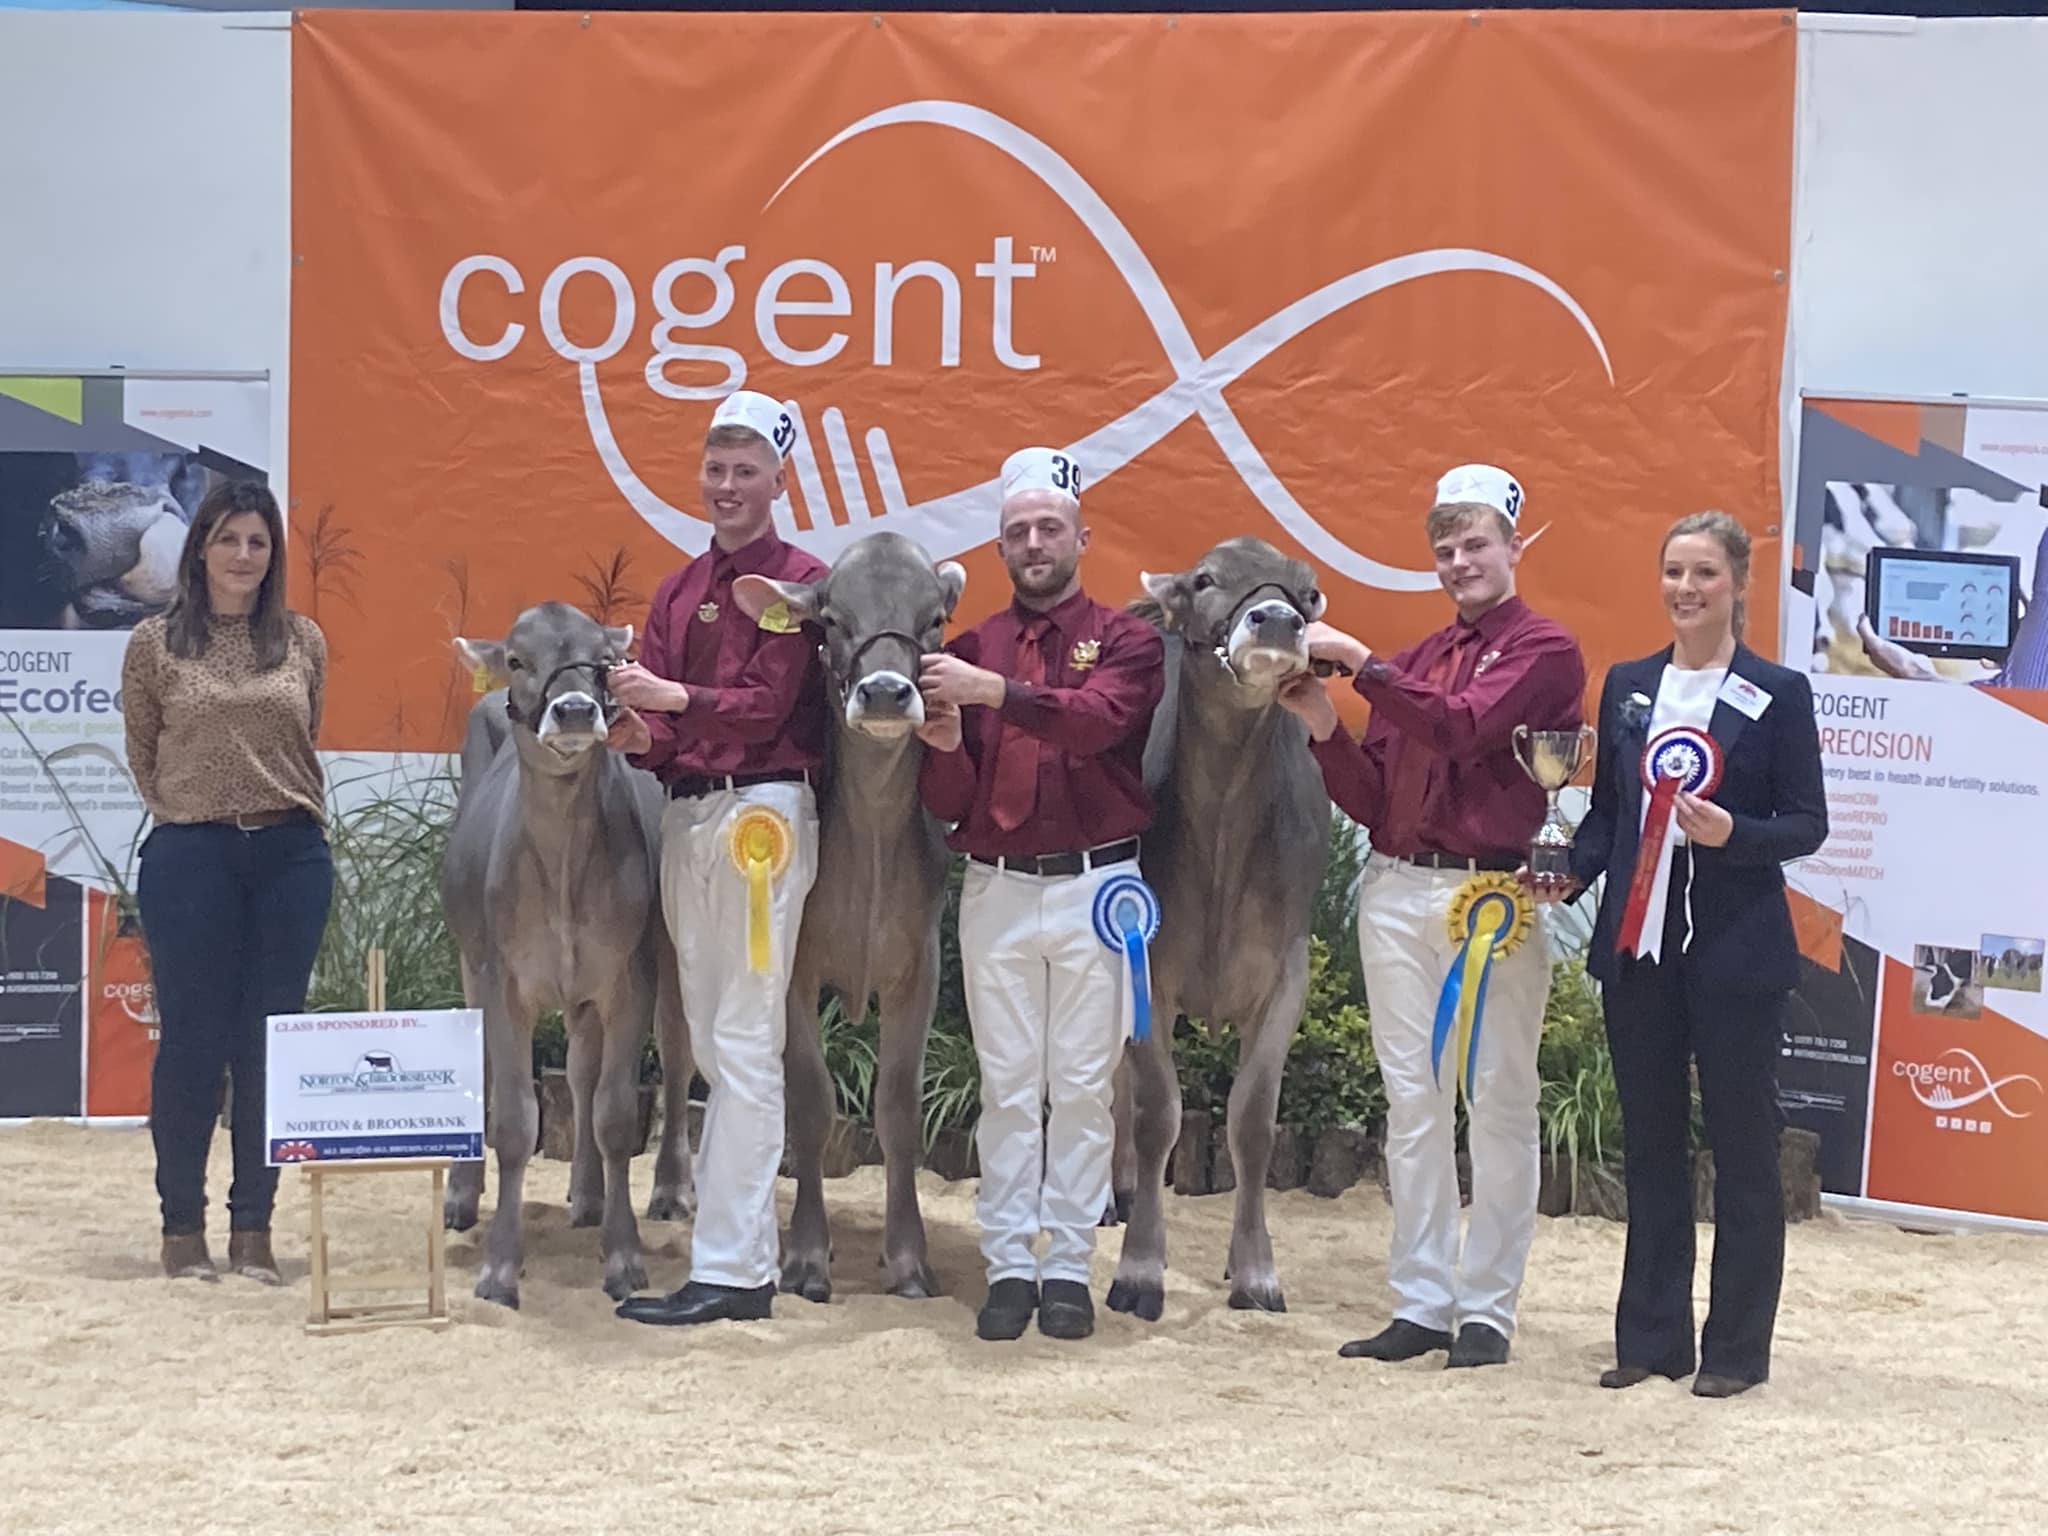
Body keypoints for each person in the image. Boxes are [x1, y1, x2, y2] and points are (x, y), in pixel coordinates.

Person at [1276, 463, 1586, 1369]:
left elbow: (1463, 727)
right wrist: (1322, 724)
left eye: (1475, 544)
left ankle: (1487, 1308)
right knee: (1411, 1103)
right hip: (1397, 886)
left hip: (1490, 900)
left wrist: (1359, 664)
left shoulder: (1545, 649)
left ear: (1514, 546)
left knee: (1498, 1101)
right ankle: (1421, 1300)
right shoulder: (1414, 663)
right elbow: (1375, 803)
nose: (1459, 563)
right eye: (1446, 550)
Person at [1540, 509, 1826, 1398]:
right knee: (1651, 1147)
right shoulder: (1629, 685)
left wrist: (1735, 833)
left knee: (1744, 1153)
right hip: (1639, 957)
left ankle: (1736, 1350)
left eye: (1704, 573)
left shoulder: (1778, 692)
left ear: (1737, 584)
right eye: (1673, 572)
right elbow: (1609, 819)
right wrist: (1566, 872)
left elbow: (1806, 824)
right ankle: (1652, 1340)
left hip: (1738, 958)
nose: (1686, 589)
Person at [916, 446, 1165, 1342]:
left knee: (1085, 1087)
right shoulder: (968, 648)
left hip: (1099, 888)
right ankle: (1008, 1266)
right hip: (997, 886)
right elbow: (949, 800)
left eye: (1048, 528)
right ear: (999, 548)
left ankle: (1067, 1266)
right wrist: (947, 745)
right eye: (1017, 532)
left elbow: (1098, 723)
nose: (1033, 544)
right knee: (1009, 1086)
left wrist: (997, 693)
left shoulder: (1128, 642)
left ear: (1081, 538)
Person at [608, 389, 829, 1328]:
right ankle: (733, 1258)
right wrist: (636, 736)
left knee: (742, 1038)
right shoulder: (676, 590)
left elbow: (767, 707)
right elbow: (663, 732)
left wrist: (671, 700)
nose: (727, 485)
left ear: (780, 481)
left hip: (762, 818)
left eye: (746, 471)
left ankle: (735, 1268)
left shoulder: (802, 585)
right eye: (715, 469)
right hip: (688, 817)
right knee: (707, 1037)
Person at [122, 480, 334, 1285]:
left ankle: (254, 1230)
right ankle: (182, 1229)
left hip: (289, 857)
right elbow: (144, 752)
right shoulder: (154, 643)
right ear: (200, 548)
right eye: (228, 539)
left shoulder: (302, 640)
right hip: (191, 857)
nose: (244, 555)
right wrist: (198, 811)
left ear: (273, 553)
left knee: (268, 1045)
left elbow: (303, 736)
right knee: (192, 1044)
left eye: (258, 541)